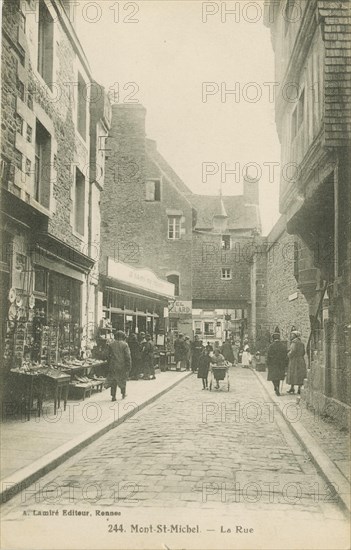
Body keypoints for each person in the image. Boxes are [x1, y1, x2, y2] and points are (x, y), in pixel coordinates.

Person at [107, 330, 131, 401]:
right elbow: (128, 356)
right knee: (122, 379)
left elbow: (108, 356)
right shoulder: (125, 345)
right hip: (122, 365)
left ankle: (113, 396)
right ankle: (123, 394)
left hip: (113, 365)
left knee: (113, 381)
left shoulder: (111, 344)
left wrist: (110, 364)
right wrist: (128, 366)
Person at [266, 332, 288, 396]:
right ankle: (277, 387)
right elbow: (285, 355)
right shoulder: (283, 346)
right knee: (278, 377)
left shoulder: (271, 346)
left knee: (273, 377)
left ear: (273, 338)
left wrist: (268, 363)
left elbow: (269, 355)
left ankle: (276, 387)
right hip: (281, 364)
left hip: (273, 364)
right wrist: (285, 363)